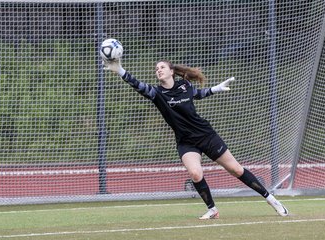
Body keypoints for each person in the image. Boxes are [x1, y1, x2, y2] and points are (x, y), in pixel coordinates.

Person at [103, 58, 289, 220]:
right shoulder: (156, 93)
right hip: (186, 141)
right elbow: (137, 84)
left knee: (236, 169)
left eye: (162, 67)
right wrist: (120, 70)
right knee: (195, 174)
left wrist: (215, 89)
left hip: (205, 135)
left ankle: (271, 199)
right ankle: (212, 209)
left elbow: (196, 95)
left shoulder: (185, 86)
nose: (158, 70)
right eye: (156, 69)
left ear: (172, 71)